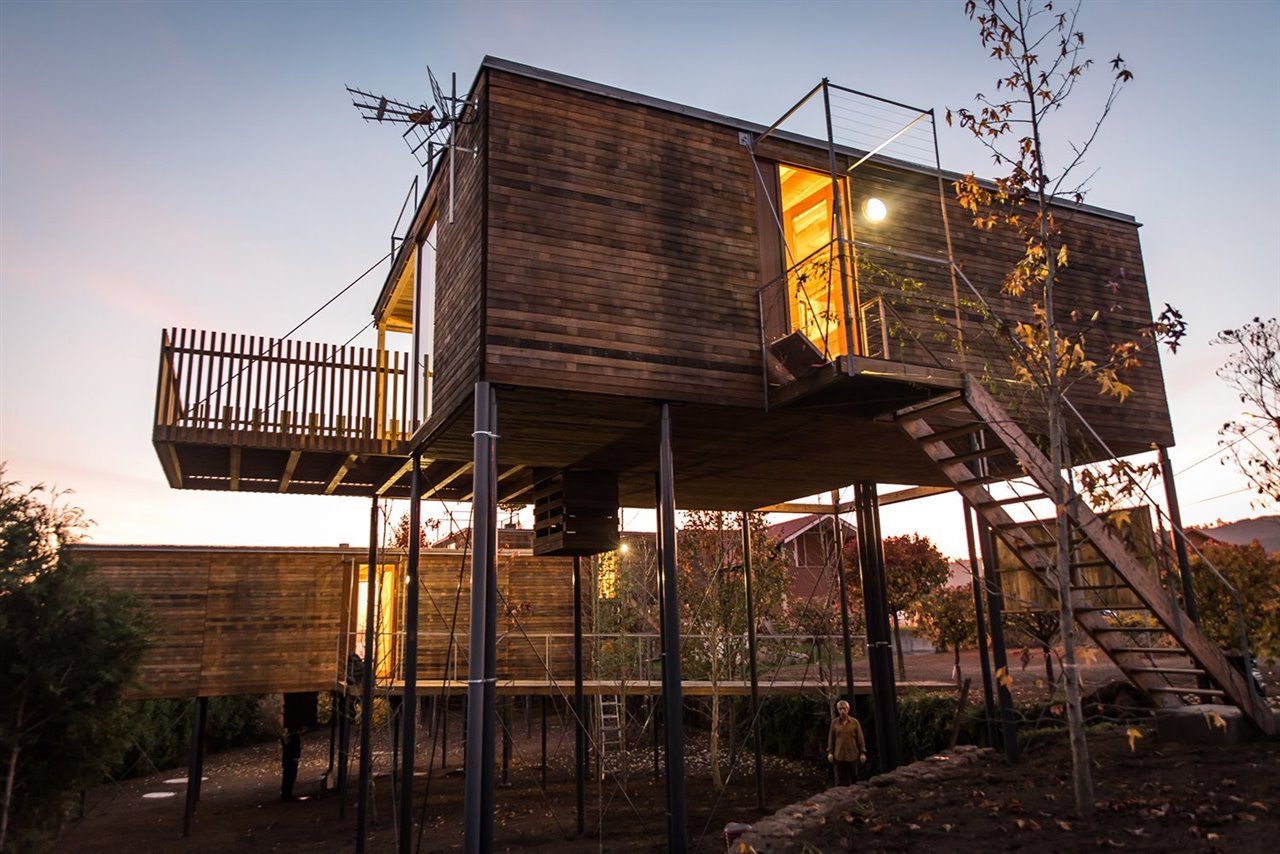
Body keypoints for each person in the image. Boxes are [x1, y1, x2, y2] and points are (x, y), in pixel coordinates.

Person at [826, 699, 866, 786]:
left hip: (852, 754)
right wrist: (830, 752)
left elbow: (860, 738)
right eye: (840, 709)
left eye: (844, 708)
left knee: (854, 777)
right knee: (841, 779)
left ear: (848, 709)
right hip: (839, 755)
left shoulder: (854, 722)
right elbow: (831, 738)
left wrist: (862, 752)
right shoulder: (834, 723)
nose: (842, 711)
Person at [280, 725, 302, 801]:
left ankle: (286, 793)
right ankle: (287, 794)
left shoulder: (288, 736)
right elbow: (295, 747)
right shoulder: (293, 736)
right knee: (290, 776)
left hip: (288, 759)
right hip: (291, 758)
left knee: (287, 776)